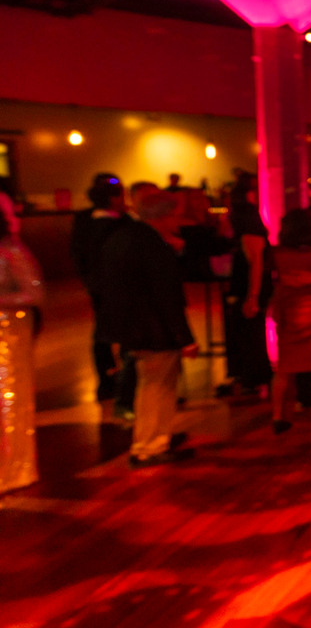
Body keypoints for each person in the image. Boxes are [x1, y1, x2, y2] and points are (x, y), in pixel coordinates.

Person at [100, 188, 199, 468]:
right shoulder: (152, 245)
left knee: (149, 386)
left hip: (132, 327)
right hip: (154, 329)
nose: (179, 221)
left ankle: (152, 440)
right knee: (158, 388)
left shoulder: (122, 237)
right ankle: (150, 446)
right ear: (163, 216)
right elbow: (166, 296)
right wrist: (184, 338)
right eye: (176, 215)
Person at [271, 208, 311, 434]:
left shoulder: (277, 254)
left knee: (284, 368)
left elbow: (274, 281)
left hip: (289, 309)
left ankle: (278, 415)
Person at [69, 172, 128, 405]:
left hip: (98, 284)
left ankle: (108, 380)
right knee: (117, 330)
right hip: (111, 285)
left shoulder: (85, 219)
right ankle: (117, 379)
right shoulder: (121, 222)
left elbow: (77, 253)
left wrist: (89, 280)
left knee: (103, 331)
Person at [0, 192, 44, 492]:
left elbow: (35, 293)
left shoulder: (11, 250)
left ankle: (13, 469)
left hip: (9, 331)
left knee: (9, 400)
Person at [221, 174, 272, 398]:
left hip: (251, 288)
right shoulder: (248, 230)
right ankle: (251, 378)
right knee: (249, 331)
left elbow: (256, 264)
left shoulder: (248, 233)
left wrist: (253, 296)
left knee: (250, 332)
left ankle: (254, 378)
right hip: (251, 287)